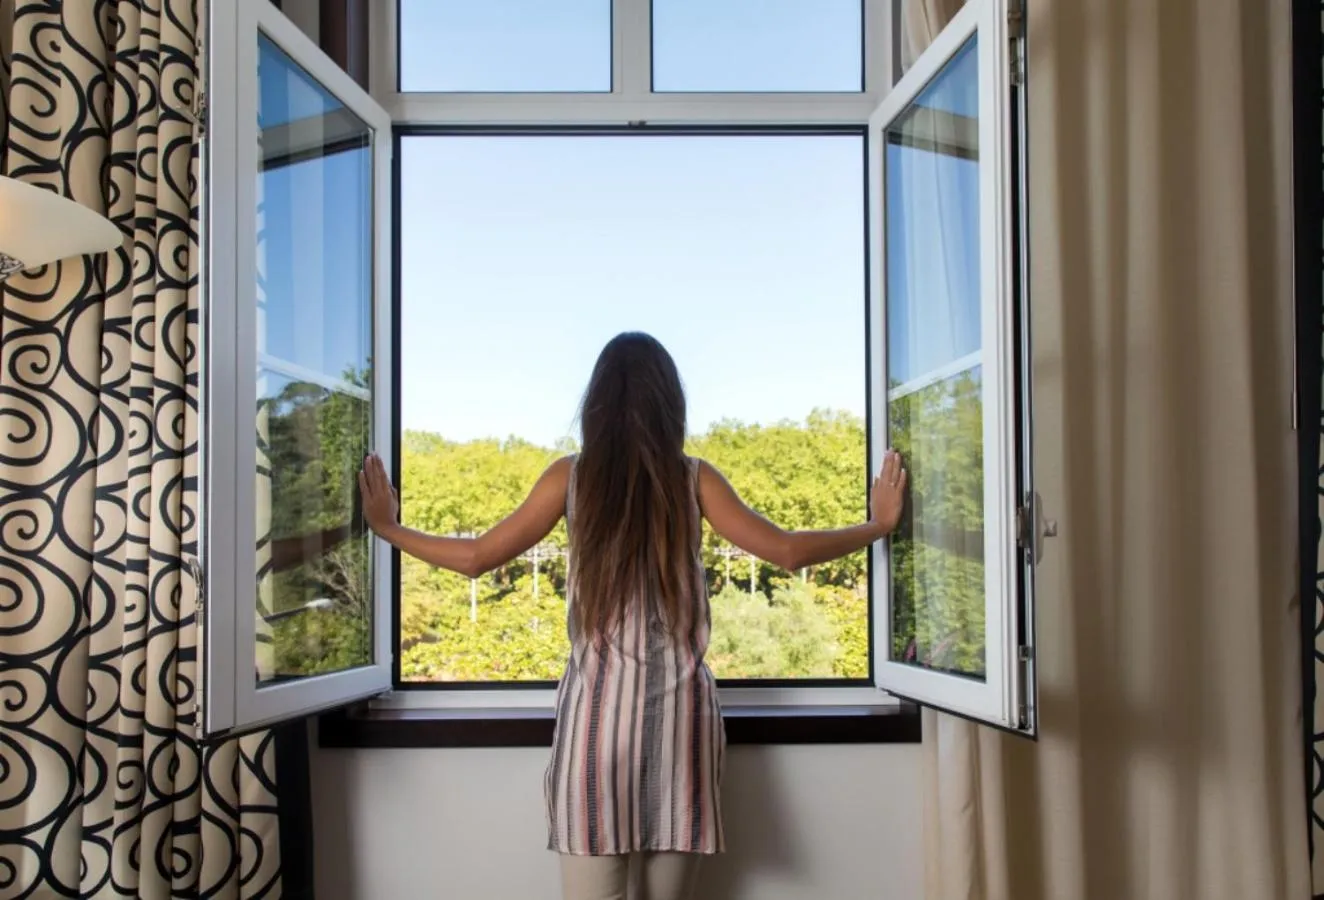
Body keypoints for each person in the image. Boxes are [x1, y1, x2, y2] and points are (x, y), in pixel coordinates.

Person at [358, 332, 908, 900]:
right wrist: (877, 525)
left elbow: (475, 558)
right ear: (671, 404)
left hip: (594, 736)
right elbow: (787, 550)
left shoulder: (569, 477)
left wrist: (390, 528)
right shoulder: (694, 478)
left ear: (595, 405)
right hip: (680, 728)